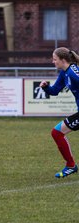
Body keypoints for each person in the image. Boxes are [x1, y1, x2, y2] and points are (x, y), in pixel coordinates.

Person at [40, 47, 79, 178]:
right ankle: (71, 165)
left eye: (55, 59)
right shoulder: (64, 72)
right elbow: (55, 90)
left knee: (57, 132)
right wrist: (46, 88)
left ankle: (70, 165)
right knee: (56, 132)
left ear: (63, 60)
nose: (53, 61)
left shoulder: (74, 72)